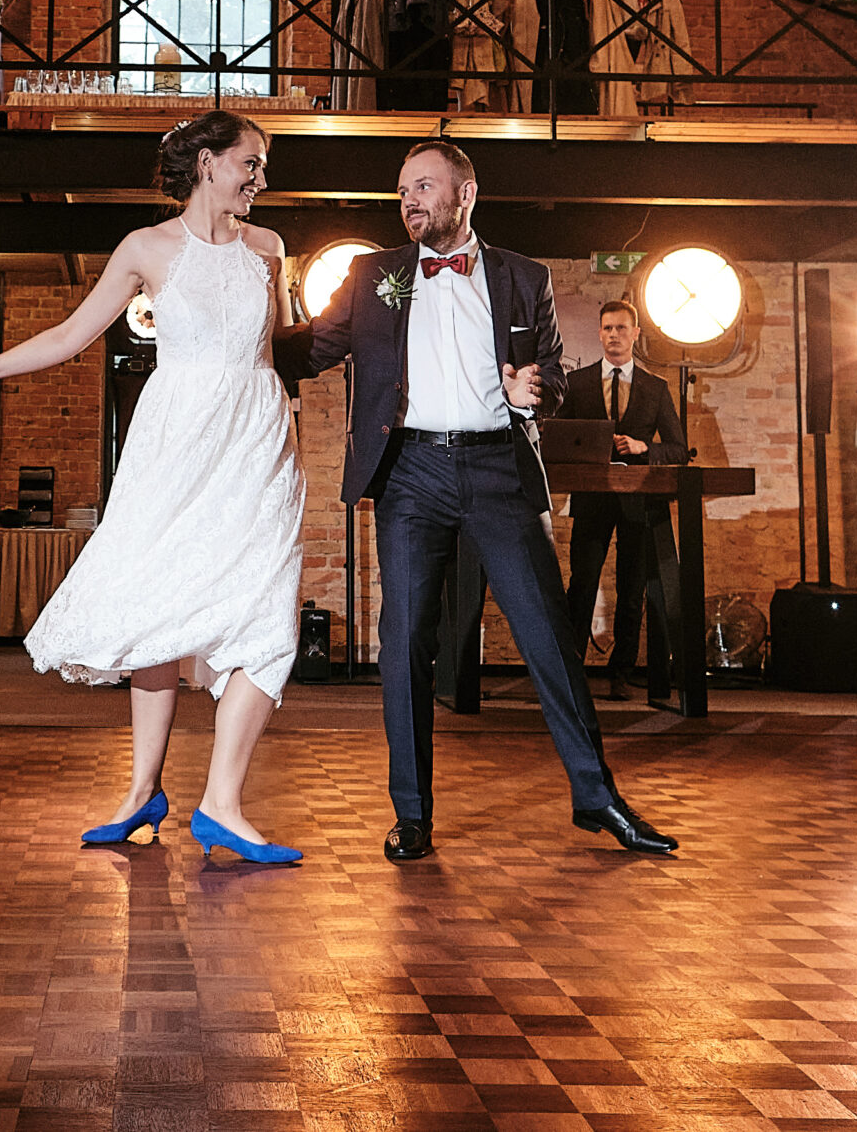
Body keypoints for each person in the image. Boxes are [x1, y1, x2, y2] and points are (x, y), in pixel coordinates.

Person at [0, 112, 306, 865]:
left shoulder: (269, 248)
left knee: (267, 605)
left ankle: (222, 803)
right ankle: (142, 793)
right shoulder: (145, 248)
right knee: (155, 603)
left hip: (256, 440)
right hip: (175, 440)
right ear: (208, 163)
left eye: (263, 165)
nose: (261, 177)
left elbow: (283, 340)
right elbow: (68, 336)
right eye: (251, 162)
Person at [282, 139, 675, 861]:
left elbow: (555, 373)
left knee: (549, 635)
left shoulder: (524, 276)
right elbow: (307, 350)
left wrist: (536, 390)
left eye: (424, 186)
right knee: (406, 641)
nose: (409, 200)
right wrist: (224, 336)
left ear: (465, 194)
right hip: (410, 472)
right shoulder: (373, 275)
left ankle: (597, 798)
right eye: (403, 188)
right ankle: (412, 814)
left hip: (499, 469)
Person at [557, 298, 687, 705]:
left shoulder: (655, 387)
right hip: (592, 498)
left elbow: (679, 449)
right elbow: (559, 440)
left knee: (632, 590)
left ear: (635, 334)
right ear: (599, 334)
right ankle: (570, 672)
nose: (614, 334)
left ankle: (622, 674)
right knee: (582, 585)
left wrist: (644, 447)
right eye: (608, 328)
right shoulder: (577, 383)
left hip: (638, 501)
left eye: (621, 328)